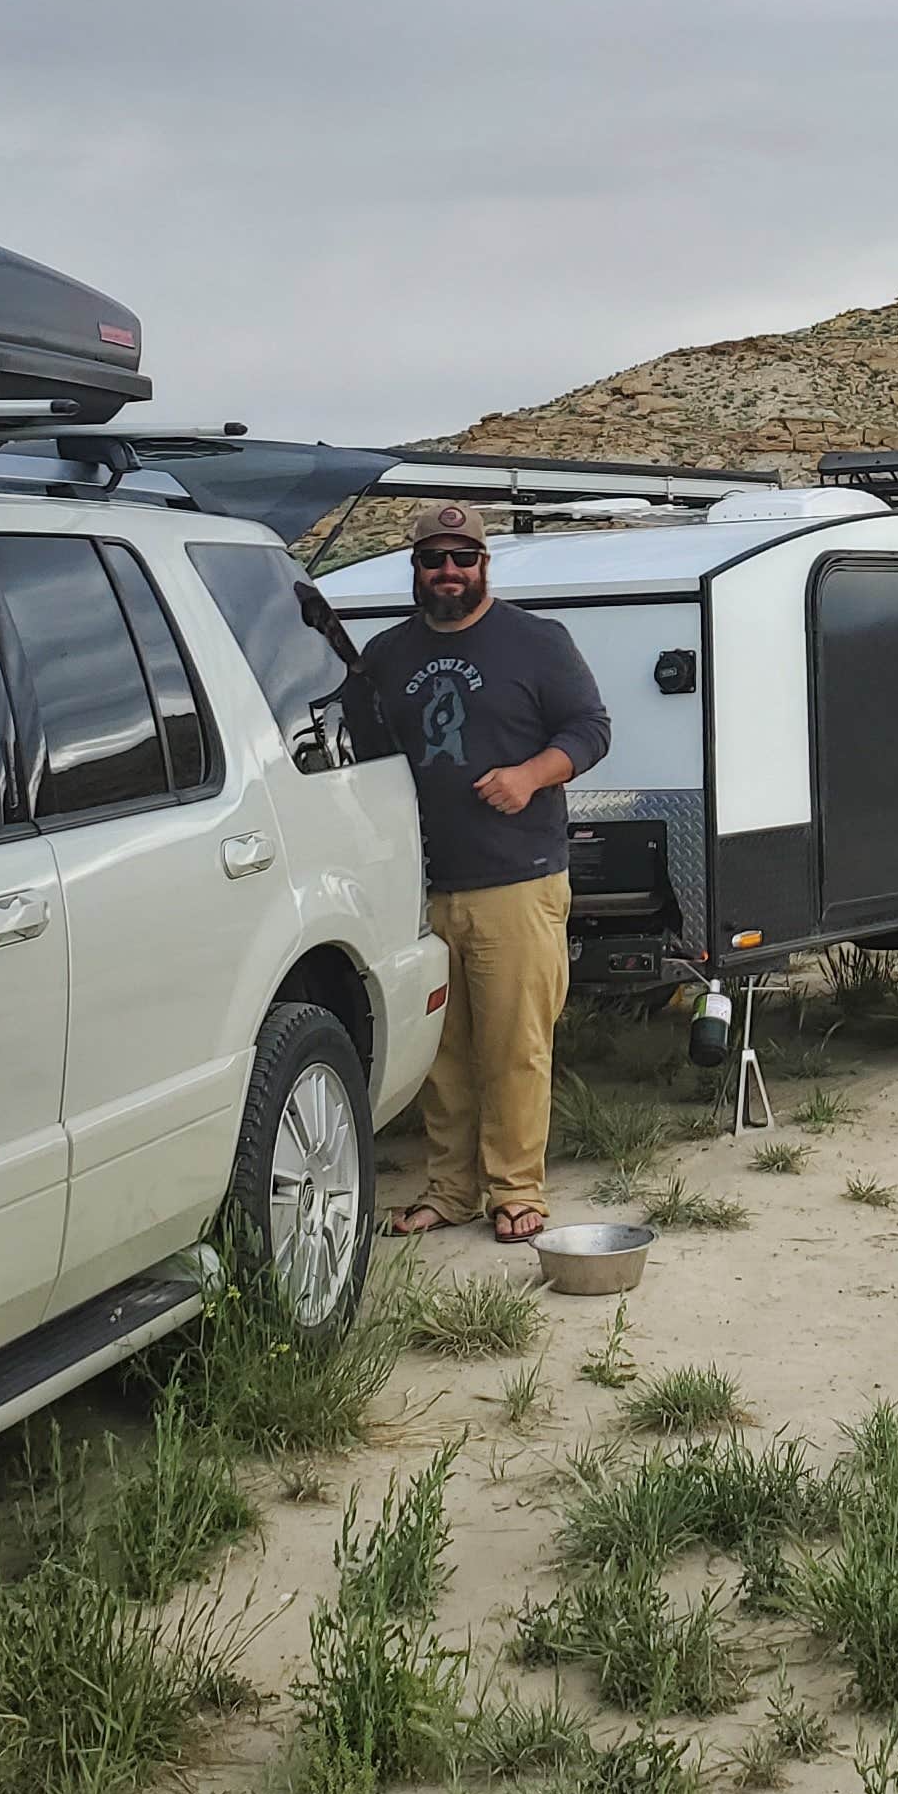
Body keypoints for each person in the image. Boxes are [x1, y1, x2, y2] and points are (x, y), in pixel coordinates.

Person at [348, 504, 610, 1243]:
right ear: (417, 569)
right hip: (421, 886)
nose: (449, 573)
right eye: (435, 560)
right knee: (441, 1055)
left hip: (516, 881)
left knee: (515, 1046)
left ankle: (516, 1192)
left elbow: (590, 730)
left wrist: (530, 776)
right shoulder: (386, 654)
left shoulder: (535, 642)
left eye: (463, 558)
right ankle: (450, 1190)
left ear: (484, 565)